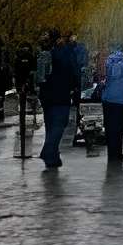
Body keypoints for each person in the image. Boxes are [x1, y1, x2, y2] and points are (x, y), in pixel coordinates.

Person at [38, 27, 85, 170]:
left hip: (46, 94)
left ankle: (54, 156)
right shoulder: (64, 52)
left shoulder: (45, 53)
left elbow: (39, 75)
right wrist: (76, 87)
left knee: (50, 125)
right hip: (61, 93)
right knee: (59, 124)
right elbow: (74, 70)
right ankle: (48, 152)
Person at [100, 39, 123, 164]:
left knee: (109, 127)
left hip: (107, 99)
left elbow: (104, 79)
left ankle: (111, 154)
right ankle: (118, 154)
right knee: (119, 127)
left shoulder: (108, 62)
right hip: (120, 100)